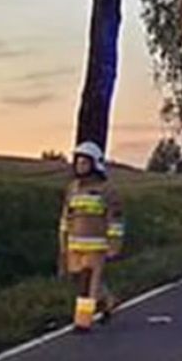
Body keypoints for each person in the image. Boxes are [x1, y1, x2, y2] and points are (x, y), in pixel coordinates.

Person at [58, 141, 123, 331]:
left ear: (95, 164)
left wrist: (114, 244)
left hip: (96, 246)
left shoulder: (107, 190)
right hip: (74, 245)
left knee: (88, 283)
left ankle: (83, 321)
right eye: (78, 162)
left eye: (84, 162)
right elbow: (66, 216)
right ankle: (108, 300)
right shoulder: (72, 188)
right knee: (77, 277)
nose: (80, 166)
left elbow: (115, 220)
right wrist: (62, 242)